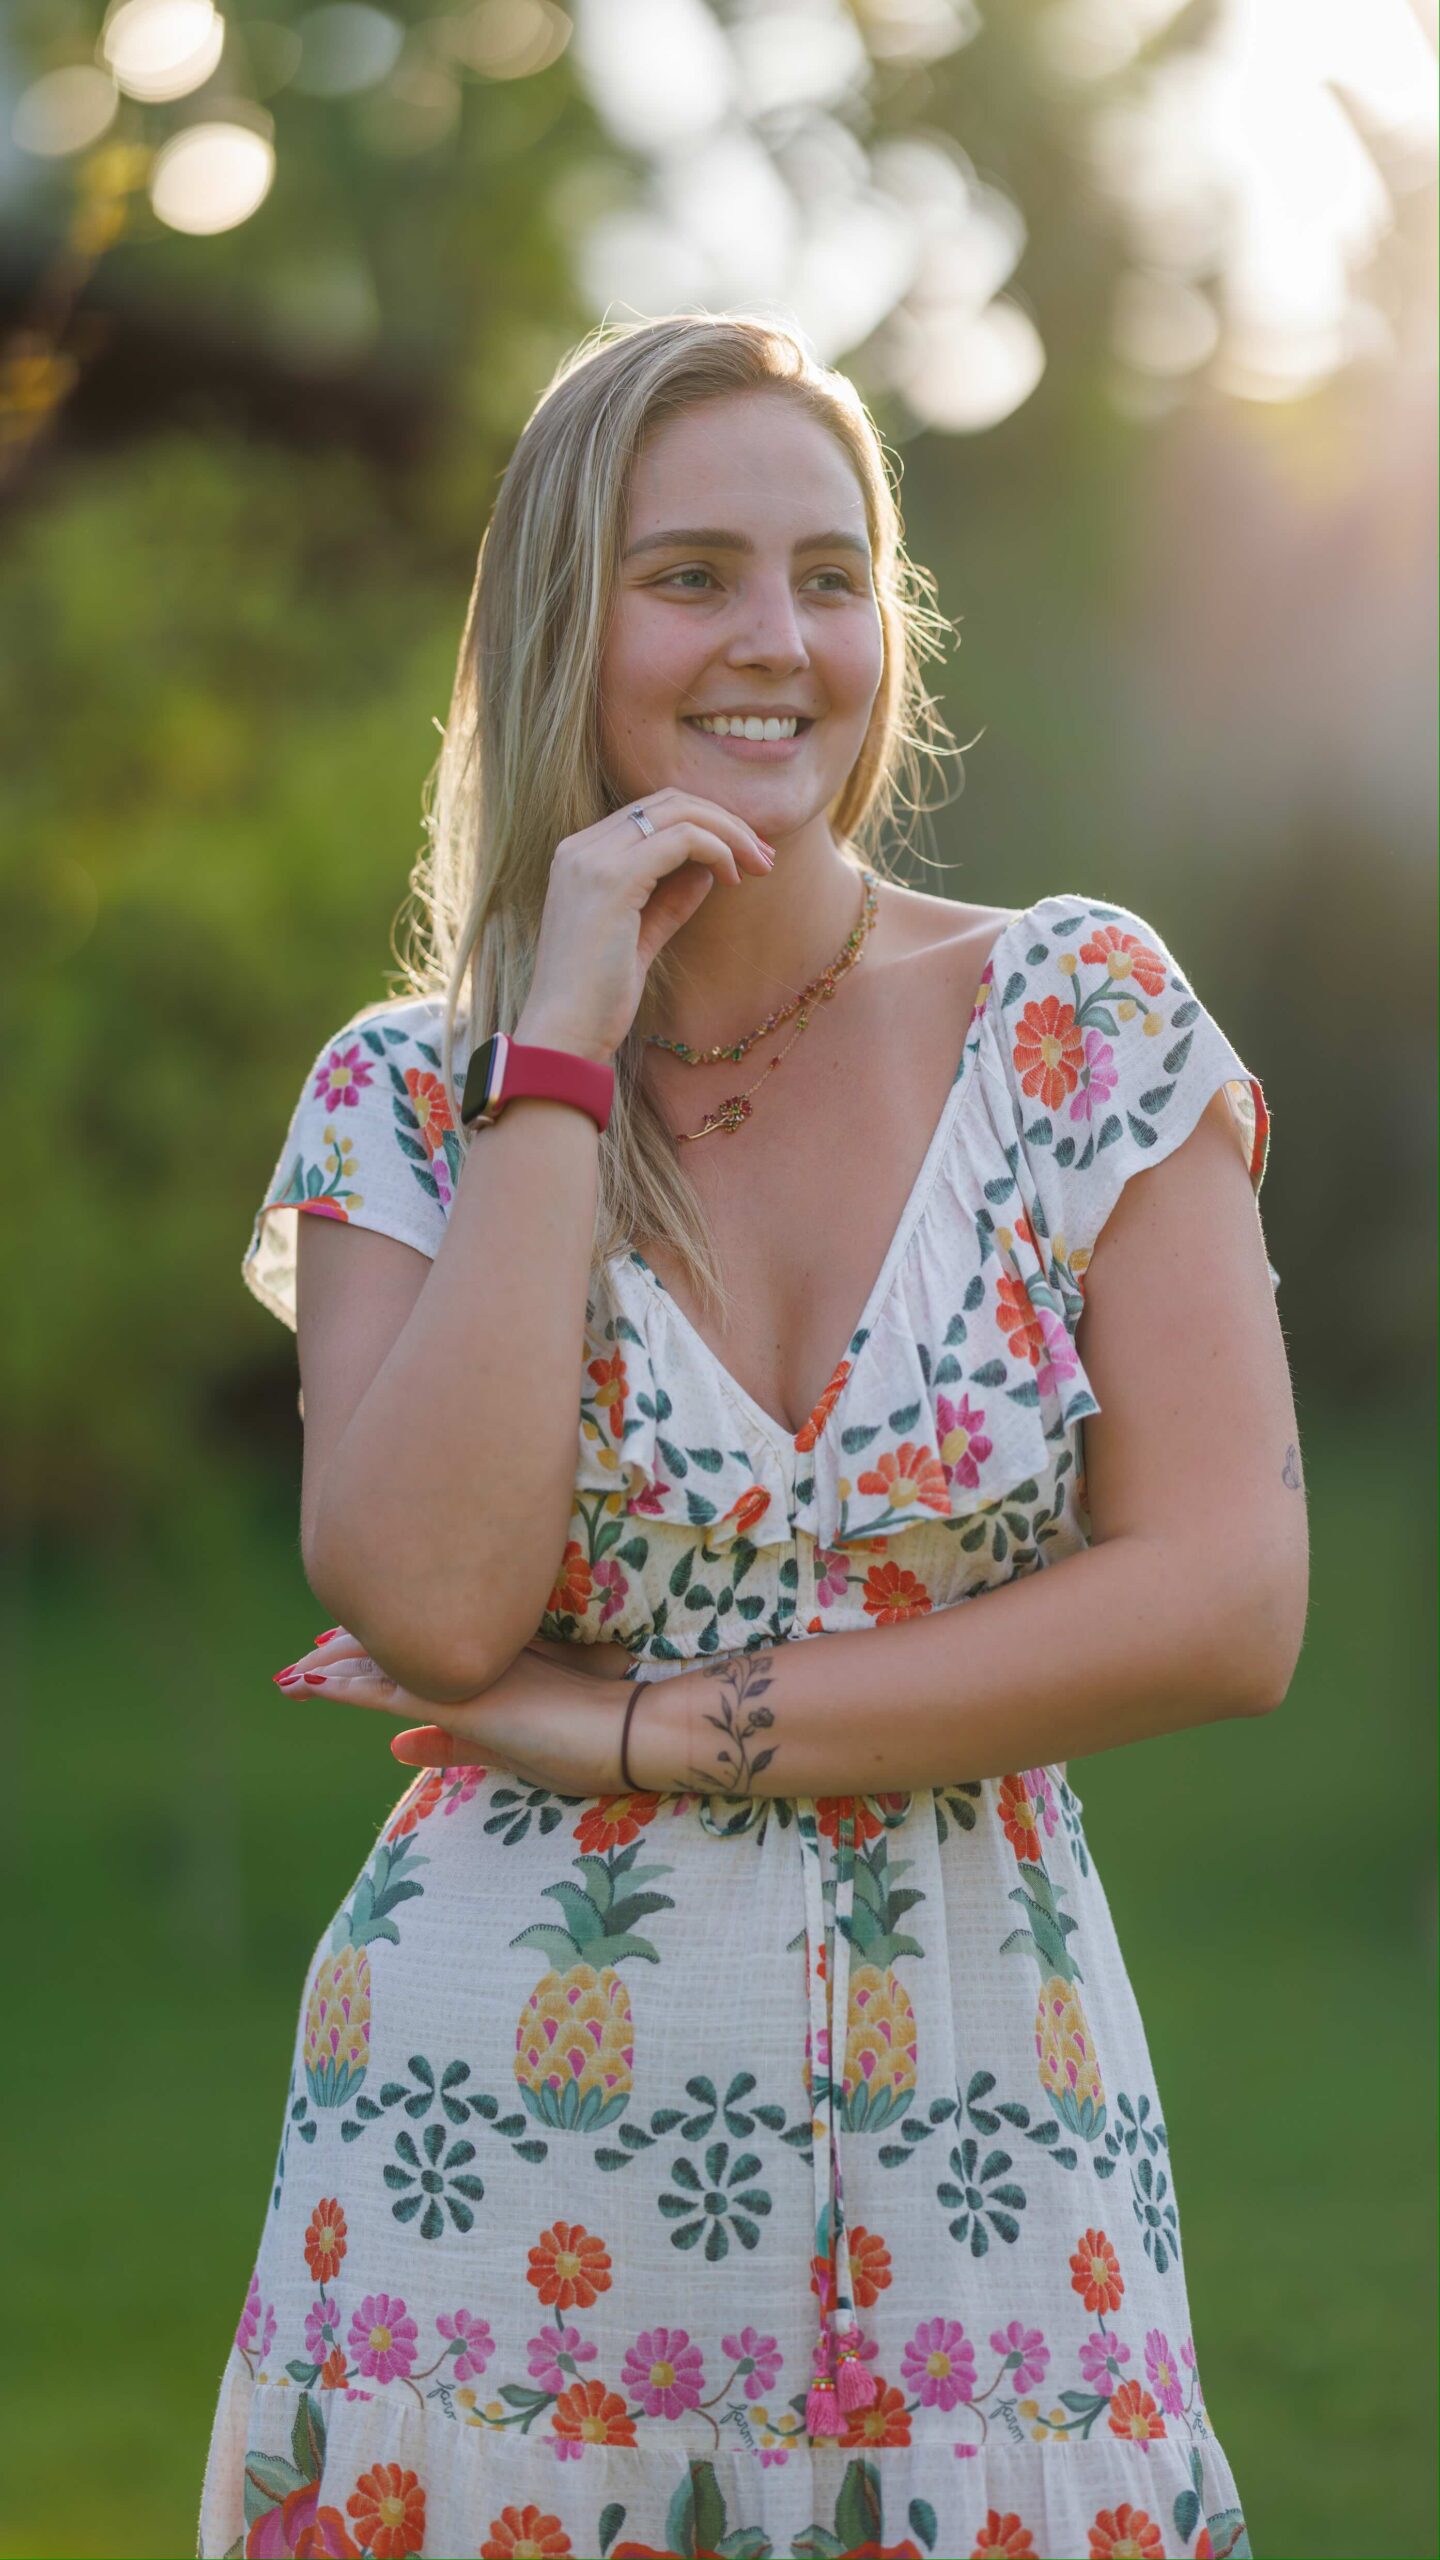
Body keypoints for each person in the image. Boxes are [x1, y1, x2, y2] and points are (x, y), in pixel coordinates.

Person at [198, 313, 1306, 2560]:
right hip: (486, 2176)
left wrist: (640, 1734)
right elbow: (432, 1600)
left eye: (830, 574)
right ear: (559, 624)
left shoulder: (1077, 1017)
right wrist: (561, 1039)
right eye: (690, 574)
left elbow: (1227, 1601)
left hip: (996, 2135)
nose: (777, 640)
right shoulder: (410, 1094)